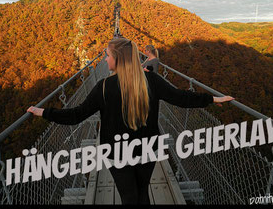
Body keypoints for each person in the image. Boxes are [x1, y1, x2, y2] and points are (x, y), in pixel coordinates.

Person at [27, 38, 234, 204]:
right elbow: (180, 98)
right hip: (148, 149)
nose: (105, 60)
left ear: (117, 59)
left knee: (128, 197)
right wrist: (212, 99)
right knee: (142, 194)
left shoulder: (104, 87)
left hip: (118, 154)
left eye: (107, 56)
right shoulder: (151, 80)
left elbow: (75, 115)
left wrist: (43, 112)